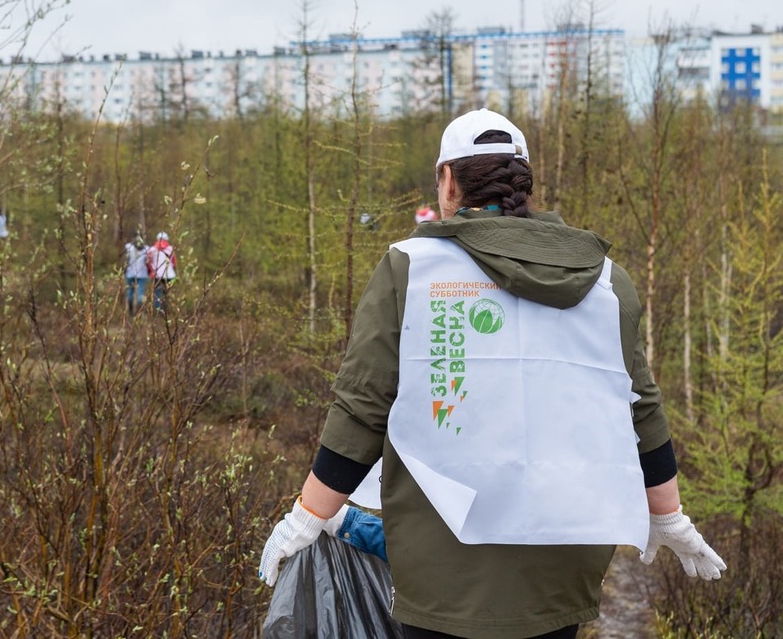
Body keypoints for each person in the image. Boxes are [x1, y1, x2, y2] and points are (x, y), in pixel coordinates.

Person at [259, 108, 725, 639]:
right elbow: (638, 406)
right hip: (562, 561)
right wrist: (666, 513)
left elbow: (362, 407)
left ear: (447, 180)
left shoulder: (410, 269)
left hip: (442, 569)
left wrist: (308, 516)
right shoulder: (605, 281)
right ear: (523, 184)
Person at [147, 231, 177, 313]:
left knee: (157, 294)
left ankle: (158, 312)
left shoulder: (152, 249)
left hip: (157, 275)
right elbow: (174, 263)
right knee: (167, 294)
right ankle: (167, 311)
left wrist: (151, 272)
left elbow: (148, 262)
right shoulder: (170, 248)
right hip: (170, 275)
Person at [123, 234, 150, 315]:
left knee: (130, 291)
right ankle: (139, 312)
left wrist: (124, 270)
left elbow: (125, 260)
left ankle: (131, 311)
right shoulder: (146, 249)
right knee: (140, 293)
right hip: (142, 274)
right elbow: (148, 262)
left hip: (130, 273)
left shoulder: (129, 247)